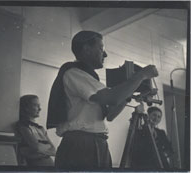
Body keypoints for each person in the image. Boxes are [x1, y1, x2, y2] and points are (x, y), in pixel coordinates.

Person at [46, 30, 159, 170]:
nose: (105, 54)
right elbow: (112, 98)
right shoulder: (74, 73)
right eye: (101, 48)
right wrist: (141, 75)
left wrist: (127, 96)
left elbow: (110, 115)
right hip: (82, 145)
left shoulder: (90, 79)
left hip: (96, 143)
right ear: (86, 49)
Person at [15, 95, 56, 166]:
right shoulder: (23, 126)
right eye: (35, 105)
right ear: (26, 108)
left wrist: (28, 151)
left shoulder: (41, 128)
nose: (40, 109)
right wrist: (46, 147)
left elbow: (54, 150)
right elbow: (36, 147)